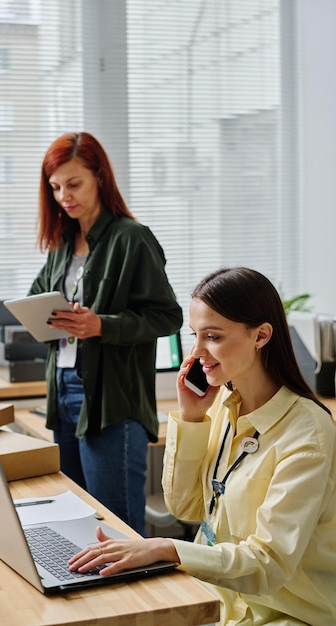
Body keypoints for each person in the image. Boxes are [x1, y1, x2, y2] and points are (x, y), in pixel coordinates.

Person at [68, 267, 336, 625]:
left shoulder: (307, 434)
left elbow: (268, 565)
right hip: (213, 599)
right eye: (195, 335)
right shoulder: (225, 407)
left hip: (286, 614)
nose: (196, 352)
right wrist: (191, 416)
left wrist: (165, 548)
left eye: (213, 336)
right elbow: (186, 506)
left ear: (261, 335)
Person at [28, 131, 183, 537]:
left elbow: (168, 317)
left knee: (116, 531)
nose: (64, 195)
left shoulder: (132, 239)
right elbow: (38, 299)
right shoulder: (62, 244)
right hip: (62, 390)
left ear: (100, 177)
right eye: (56, 186)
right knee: (76, 523)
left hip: (111, 399)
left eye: (74, 183)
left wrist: (102, 325)